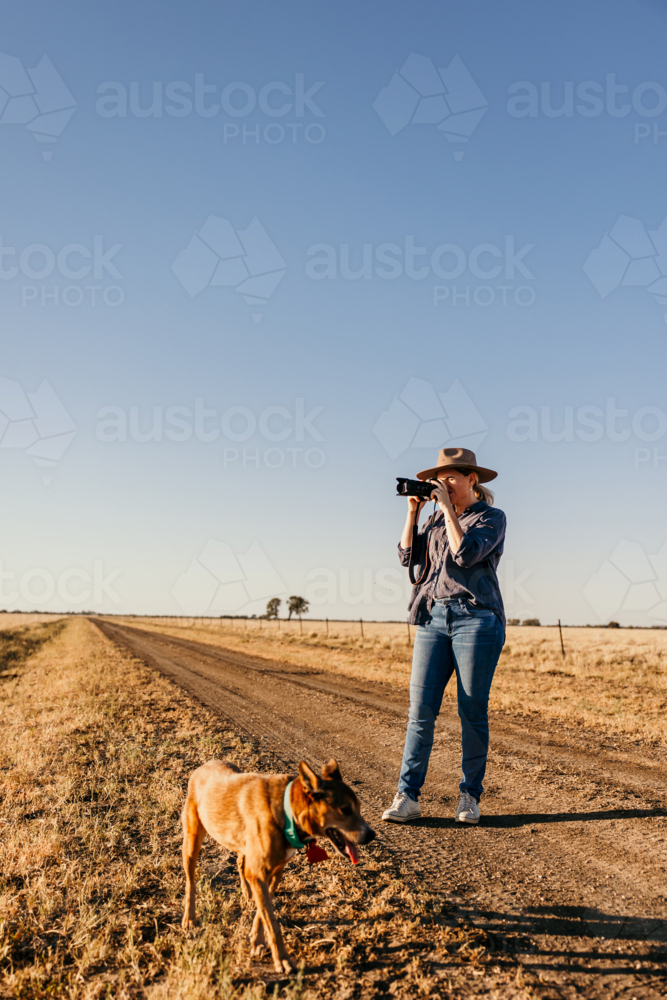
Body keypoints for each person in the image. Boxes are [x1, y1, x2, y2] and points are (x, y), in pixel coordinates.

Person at [382, 447, 506, 826]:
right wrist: (414, 511)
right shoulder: (434, 520)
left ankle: (469, 796)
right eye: (440, 478)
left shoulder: (491, 517)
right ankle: (408, 796)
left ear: (472, 480)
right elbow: (408, 558)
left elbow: (465, 554)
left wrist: (448, 511)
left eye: (451, 477)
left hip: (476, 620)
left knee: (471, 712)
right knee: (419, 712)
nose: (444, 484)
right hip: (432, 618)